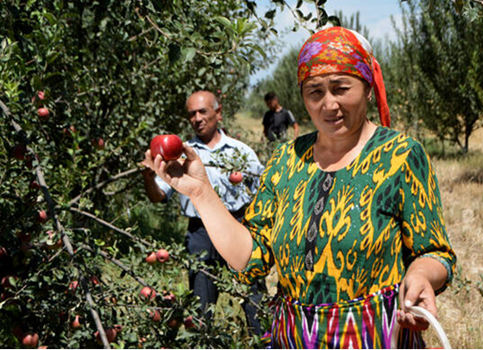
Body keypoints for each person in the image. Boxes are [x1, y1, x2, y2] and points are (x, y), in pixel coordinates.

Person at [145, 28, 456, 349]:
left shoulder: (400, 155)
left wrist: (420, 275)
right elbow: (251, 256)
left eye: (341, 88)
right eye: (315, 92)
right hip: (294, 339)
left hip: (377, 338)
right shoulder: (286, 161)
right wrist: (201, 193)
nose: (328, 104)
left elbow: (434, 252)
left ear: (366, 87)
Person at [141, 90, 265, 336]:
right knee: (201, 304)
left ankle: (265, 341)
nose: (197, 118)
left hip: (239, 225)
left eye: (203, 112)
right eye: (191, 114)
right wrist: (148, 176)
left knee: (255, 300)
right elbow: (159, 196)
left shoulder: (240, 152)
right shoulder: (177, 156)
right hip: (200, 234)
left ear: (218, 113)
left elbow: (262, 192)